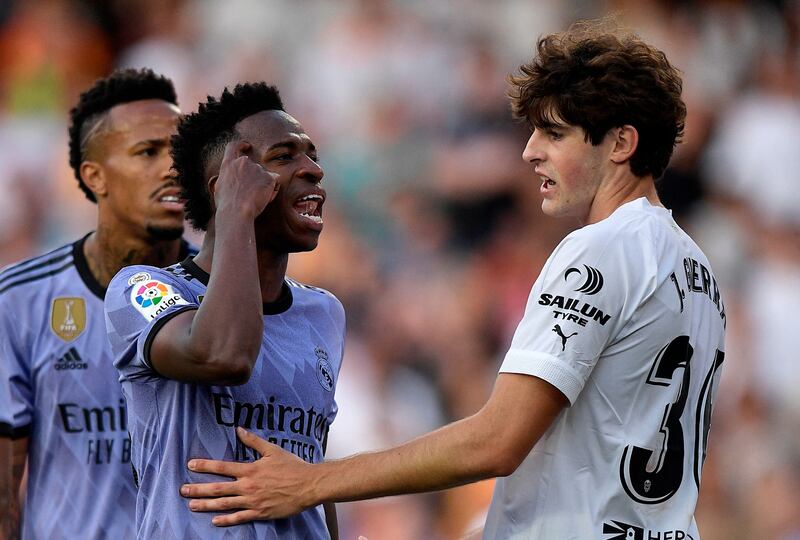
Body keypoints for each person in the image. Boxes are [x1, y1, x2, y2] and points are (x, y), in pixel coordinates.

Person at [180, 21, 728, 539]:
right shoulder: (696, 269)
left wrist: (311, 483)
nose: (530, 151)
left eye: (554, 133)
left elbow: (497, 441)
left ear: (620, 143)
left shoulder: (600, 248)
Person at [103, 82, 344, 539]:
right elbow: (222, 356)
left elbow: (312, 463)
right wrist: (235, 212)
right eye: (283, 157)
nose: (313, 170)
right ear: (226, 187)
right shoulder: (144, 289)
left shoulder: (324, 313)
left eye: (312, 155)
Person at [0, 68, 194, 539]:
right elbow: (4, 492)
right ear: (95, 176)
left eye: (180, 150)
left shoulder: (225, 298)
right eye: (148, 151)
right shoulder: (20, 301)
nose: (173, 167)